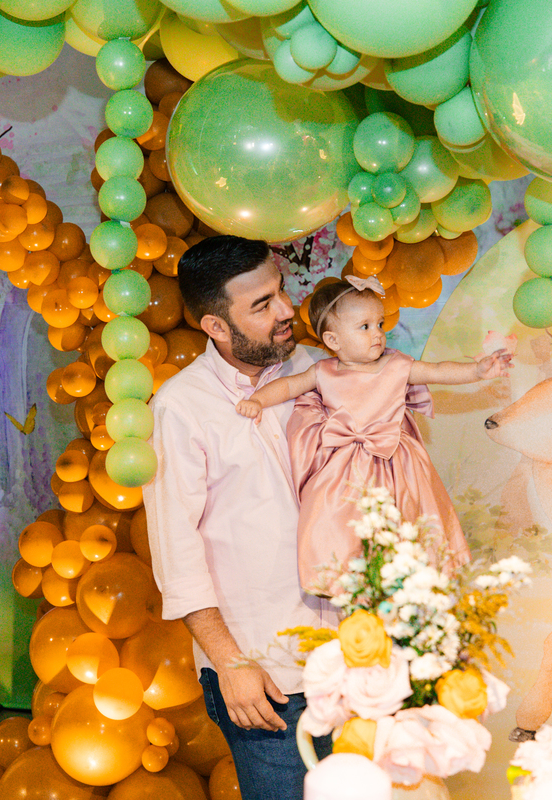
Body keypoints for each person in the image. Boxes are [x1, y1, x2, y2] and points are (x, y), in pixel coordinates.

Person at [145, 236, 338, 800]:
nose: (286, 311)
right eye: (262, 305)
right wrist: (231, 664)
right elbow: (176, 552)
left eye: (280, 292)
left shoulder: (318, 372)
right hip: (268, 676)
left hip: (355, 659)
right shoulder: (181, 407)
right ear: (216, 326)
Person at [236, 275, 512, 594]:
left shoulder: (396, 365)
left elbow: (437, 371)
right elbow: (287, 386)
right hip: (345, 468)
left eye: (379, 324)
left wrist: (476, 371)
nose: (378, 334)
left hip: (397, 463)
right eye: (364, 327)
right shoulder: (323, 372)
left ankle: (412, 576)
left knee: (409, 520)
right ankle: (340, 576)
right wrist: (258, 400)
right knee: (333, 518)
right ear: (333, 340)